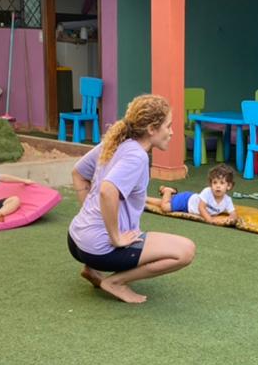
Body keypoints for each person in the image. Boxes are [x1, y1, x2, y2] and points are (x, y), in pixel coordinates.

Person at [67, 94, 196, 305]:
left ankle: (93, 270)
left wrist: (90, 217)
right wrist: (115, 237)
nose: (172, 132)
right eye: (168, 126)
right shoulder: (137, 156)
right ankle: (116, 282)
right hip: (99, 250)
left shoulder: (114, 142)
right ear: (152, 129)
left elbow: (78, 173)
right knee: (185, 251)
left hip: (75, 241)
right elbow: (107, 191)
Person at [156, 162, 238, 225]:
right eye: (215, 182)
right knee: (165, 207)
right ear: (211, 184)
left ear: (229, 186)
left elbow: (233, 213)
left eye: (222, 183)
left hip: (189, 208)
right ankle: (168, 190)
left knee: (160, 202)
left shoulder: (227, 200)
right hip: (186, 201)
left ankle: (150, 198)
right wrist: (210, 220)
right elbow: (201, 208)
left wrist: (232, 219)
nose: (218, 186)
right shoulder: (207, 192)